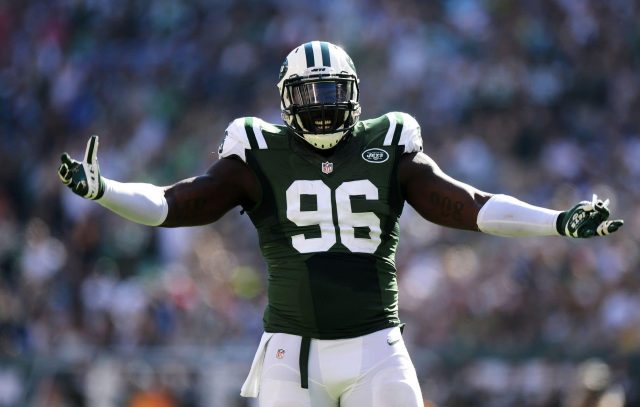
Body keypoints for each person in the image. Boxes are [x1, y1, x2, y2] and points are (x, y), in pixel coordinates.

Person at [58, 41, 623, 407]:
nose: (322, 107)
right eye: (310, 94)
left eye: (332, 92)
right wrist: (105, 191)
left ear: (354, 93)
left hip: (378, 347)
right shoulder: (257, 151)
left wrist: (558, 222)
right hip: (291, 357)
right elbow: (170, 203)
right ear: (284, 99)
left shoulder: (390, 141)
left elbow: (469, 204)